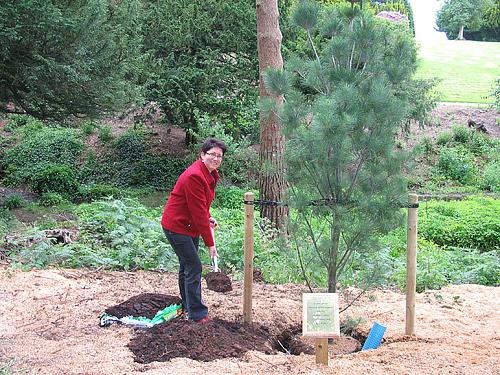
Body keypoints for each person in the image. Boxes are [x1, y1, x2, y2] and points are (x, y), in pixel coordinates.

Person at [161, 138, 226, 324]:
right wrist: (210, 244)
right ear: (202, 155)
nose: (215, 158)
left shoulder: (210, 174)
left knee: (187, 266)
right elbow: (197, 212)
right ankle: (197, 315)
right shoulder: (195, 176)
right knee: (194, 266)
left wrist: (207, 217)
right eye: (211, 154)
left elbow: (199, 205)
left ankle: (187, 305)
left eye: (219, 156)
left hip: (189, 226)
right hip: (177, 226)